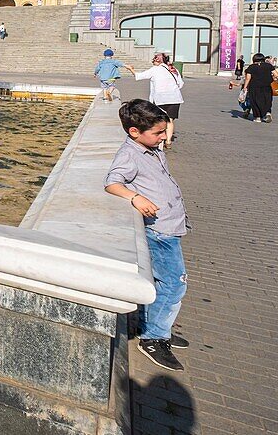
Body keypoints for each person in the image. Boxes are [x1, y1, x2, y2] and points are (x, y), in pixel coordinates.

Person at [104, 99, 190, 372]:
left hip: (169, 225)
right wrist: (135, 197)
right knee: (175, 283)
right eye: (158, 133)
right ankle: (154, 338)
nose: (164, 137)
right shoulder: (130, 154)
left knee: (163, 281)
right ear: (134, 132)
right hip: (160, 230)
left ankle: (157, 326)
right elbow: (112, 182)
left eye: (164, 131)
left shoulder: (150, 148)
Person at [128, 53, 183, 148]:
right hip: (175, 98)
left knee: (160, 120)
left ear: (157, 61)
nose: (153, 61)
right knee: (169, 120)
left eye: (154, 59)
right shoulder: (173, 70)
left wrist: (130, 69)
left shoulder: (155, 70)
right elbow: (180, 84)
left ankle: (159, 140)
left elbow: (139, 76)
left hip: (161, 99)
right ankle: (168, 141)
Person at [242, 52, 277, 123]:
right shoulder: (268, 66)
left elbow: (248, 78)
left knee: (255, 102)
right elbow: (276, 74)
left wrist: (245, 87)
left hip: (254, 87)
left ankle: (258, 117)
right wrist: (271, 78)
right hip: (266, 86)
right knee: (267, 100)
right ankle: (267, 113)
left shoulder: (251, 67)